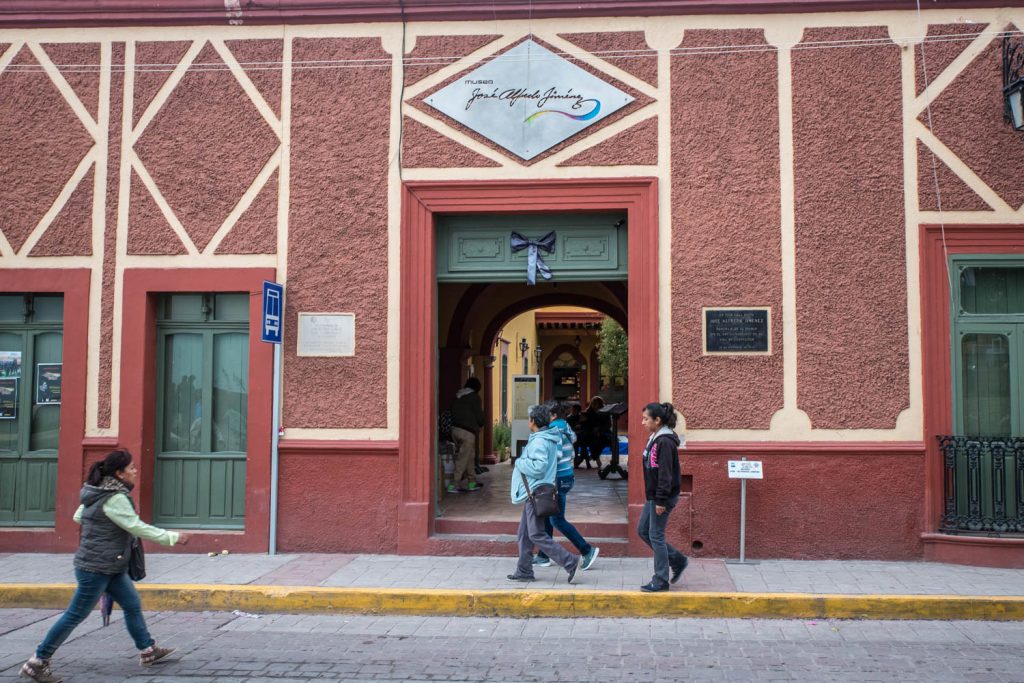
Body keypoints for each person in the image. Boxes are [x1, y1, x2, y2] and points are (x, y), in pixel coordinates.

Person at [20, 450, 190, 683]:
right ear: (119, 473)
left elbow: (79, 516)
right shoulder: (114, 497)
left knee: (131, 604)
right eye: (131, 468)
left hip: (108, 564)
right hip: (96, 568)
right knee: (75, 615)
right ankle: (37, 662)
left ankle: (148, 650)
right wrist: (172, 537)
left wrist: (103, 528)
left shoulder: (96, 491)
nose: (135, 471)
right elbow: (136, 526)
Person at [507, 404, 581, 584]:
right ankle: (524, 570)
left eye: (529, 418)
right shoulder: (544, 438)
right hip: (535, 491)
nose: (528, 421)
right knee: (524, 534)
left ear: (533, 421)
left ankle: (569, 561)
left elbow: (538, 467)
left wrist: (520, 462)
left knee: (536, 534)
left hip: (536, 491)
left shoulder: (540, 441)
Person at [533, 401, 599, 571]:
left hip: (557, 478)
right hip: (567, 475)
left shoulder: (553, 430)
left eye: (546, 414)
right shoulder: (565, 426)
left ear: (553, 415)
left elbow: (556, 454)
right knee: (548, 514)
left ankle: (587, 550)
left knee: (557, 520)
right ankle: (543, 555)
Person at [638, 402, 689, 592]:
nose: (642, 422)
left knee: (656, 536)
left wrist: (660, 500)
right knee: (643, 530)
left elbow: (665, 474)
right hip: (654, 496)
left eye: (646, 419)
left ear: (657, 420)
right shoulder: (655, 437)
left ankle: (660, 579)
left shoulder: (665, 442)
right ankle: (678, 560)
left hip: (662, 497)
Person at [448, 377, 484, 493]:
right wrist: (481, 423)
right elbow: (479, 416)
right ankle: (453, 484)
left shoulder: (458, 396)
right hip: (467, 432)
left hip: (455, 430)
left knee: (469, 456)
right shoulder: (474, 397)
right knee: (463, 458)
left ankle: (472, 482)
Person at [577, 396, 611, 469]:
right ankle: (595, 457)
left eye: (596, 404)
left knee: (604, 440)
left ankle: (593, 456)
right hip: (590, 433)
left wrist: (599, 429)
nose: (594, 406)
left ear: (600, 404)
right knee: (590, 439)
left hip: (603, 432)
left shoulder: (605, 413)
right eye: (593, 404)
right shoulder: (587, 413)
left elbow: (608, 425)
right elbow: (584, 424)